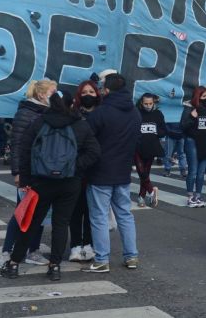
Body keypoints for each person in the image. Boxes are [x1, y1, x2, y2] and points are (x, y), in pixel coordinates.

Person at [1, 91, 100, 281]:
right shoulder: (80, 124)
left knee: (31, 222)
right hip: (70, 182)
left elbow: (25, 151)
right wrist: (74, 168)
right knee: (61, 224)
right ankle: (54, 266)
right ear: (71, 104)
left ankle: (14, 263)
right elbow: (94, 152)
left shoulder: (39, 123)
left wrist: (25, 181)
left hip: (41, 181)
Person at [83, 73, 142, 273]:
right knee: (125, 214)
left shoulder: (100, 113)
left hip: (100, 171)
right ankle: (131, 256)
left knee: (99, 216)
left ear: (106, 90)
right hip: (123, 170)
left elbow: (86, 139)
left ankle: (102, 259)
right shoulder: (135, 112)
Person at [1, 79, 56, 268]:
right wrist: (17, 172)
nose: (55, 95)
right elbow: (17, 144)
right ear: (41, 94)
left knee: (40, 214)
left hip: (43, 171)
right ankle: (7, 251)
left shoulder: (47, 113)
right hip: (28, 171)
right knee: (22, 213)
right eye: (52, 92)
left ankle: (33, 250)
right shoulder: (25, 113)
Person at [69, 80, 99, 262]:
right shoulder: (73, 115)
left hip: (96, 168)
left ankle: (88, 244)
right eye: (84, 92)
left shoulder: (102, 114)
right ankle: (75, 245)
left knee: (91, 210)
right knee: (75, 209)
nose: (88, 95)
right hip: (76, 168)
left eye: (91, 91)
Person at [180, 86, 206, 207]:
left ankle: (198, 195)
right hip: (192, 142)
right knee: (193, 170)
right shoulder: (189, 109)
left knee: (201, 172)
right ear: (197, 97)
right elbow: (183, 126)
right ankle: (190, 196)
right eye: (203, 96)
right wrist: (192, 117)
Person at [136, 93, 166, 208]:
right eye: (145, 104)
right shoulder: (137, 113)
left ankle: (141, 197)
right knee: (141, 171)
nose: (148, 106)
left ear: (154, 103)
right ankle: (152, 191)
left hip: (151, 147)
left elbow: (164, 131)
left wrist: (155, 130)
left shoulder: (158, 114)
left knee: (146, 173)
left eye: (150, 103)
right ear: (141, 103)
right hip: (137, 147)